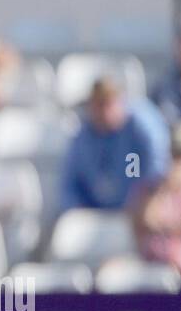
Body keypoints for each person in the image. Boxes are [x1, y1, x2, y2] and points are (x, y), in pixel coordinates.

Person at [60, 77, 170, 212]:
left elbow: (157, 167)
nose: (103, 112)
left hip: (138, 213)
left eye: (108, 104)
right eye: (98, 105)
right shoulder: (83, 136)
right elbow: (70, 184)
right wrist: (79, 210)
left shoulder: (141, 125)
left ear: (120, 102)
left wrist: (141, 202)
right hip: (96, 216)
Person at [132, 121, 181, 277]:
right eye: (175, 155)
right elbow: (146, 219)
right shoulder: (153, 187)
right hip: (154, 259)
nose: (178, 162)